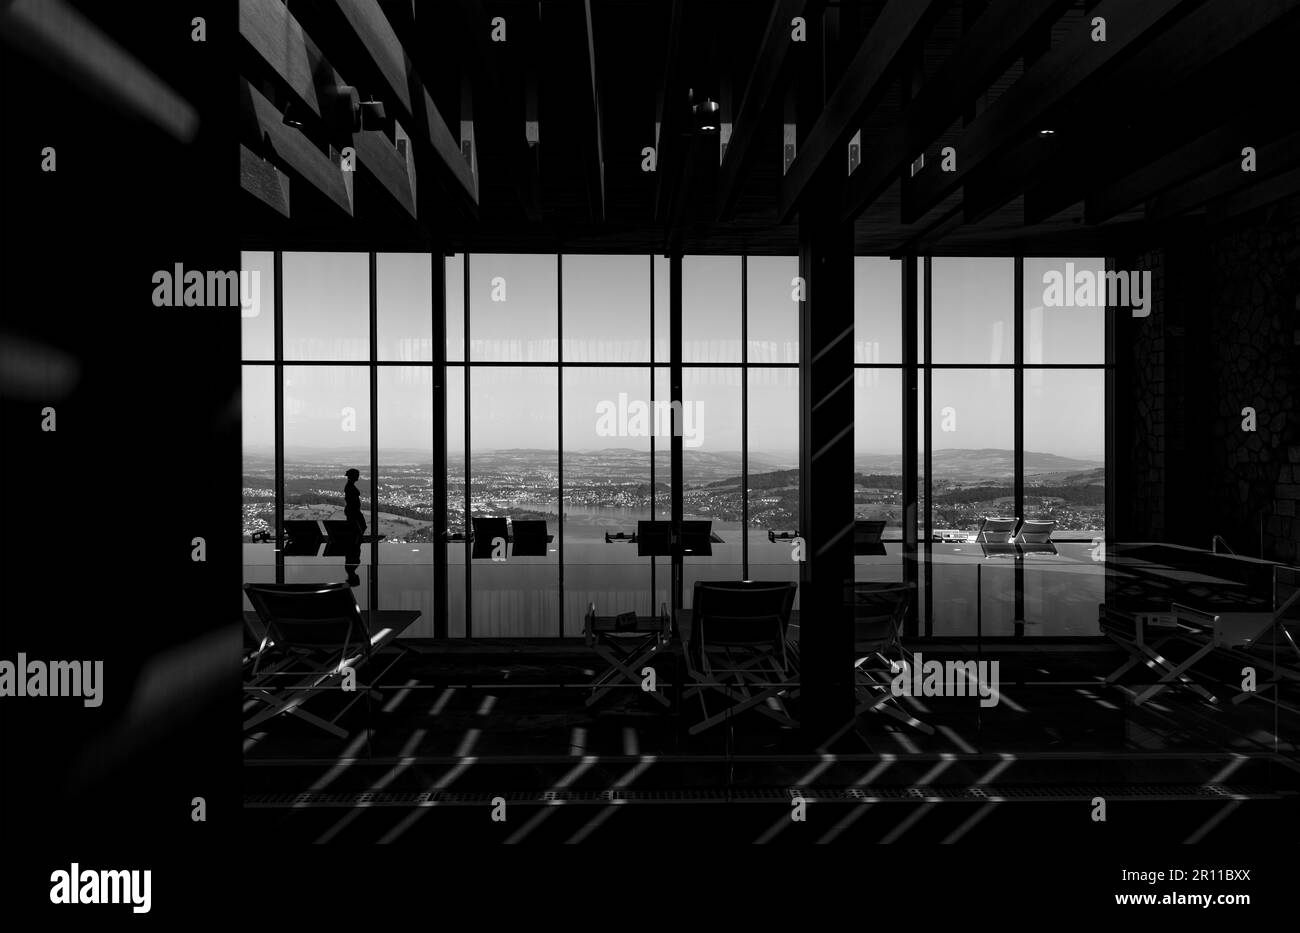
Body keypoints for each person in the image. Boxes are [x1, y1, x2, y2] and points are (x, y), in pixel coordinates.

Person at [343, 468, 367, 536]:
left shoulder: (349, 485)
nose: (358, 476)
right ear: (353, 476)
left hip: (352, 510)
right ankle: (355, 540)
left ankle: (355, 540)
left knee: (355, 527)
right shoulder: (350, 486)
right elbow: (350, 499)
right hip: (353, 510)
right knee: (361, 526)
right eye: (357, 475)